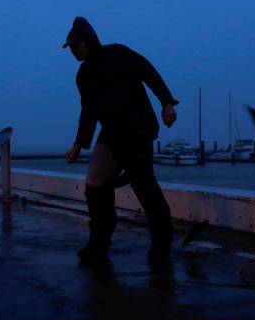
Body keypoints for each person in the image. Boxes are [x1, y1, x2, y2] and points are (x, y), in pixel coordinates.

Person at [62, 16, 179, 263]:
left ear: (88, 42)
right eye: (70, 47)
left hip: (137, 131)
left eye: (75, 46)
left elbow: (148, 72)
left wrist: (166, 102)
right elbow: (88, 111)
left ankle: (161, 243)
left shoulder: (118, 54)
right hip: (110, 136)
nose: (72, 52)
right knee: (94, 183)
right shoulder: (82, 76)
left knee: (144, 186)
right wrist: (78, 144)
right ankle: (99, 241)